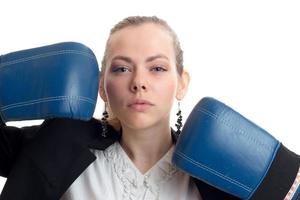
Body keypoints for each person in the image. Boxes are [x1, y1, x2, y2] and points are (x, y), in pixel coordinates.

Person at [0, 16, 239, 200]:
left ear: (182, 84)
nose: (138, 82)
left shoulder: (215, 173)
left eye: (157, 68)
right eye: (122, 69)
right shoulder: (60, 141)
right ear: (102, 87)